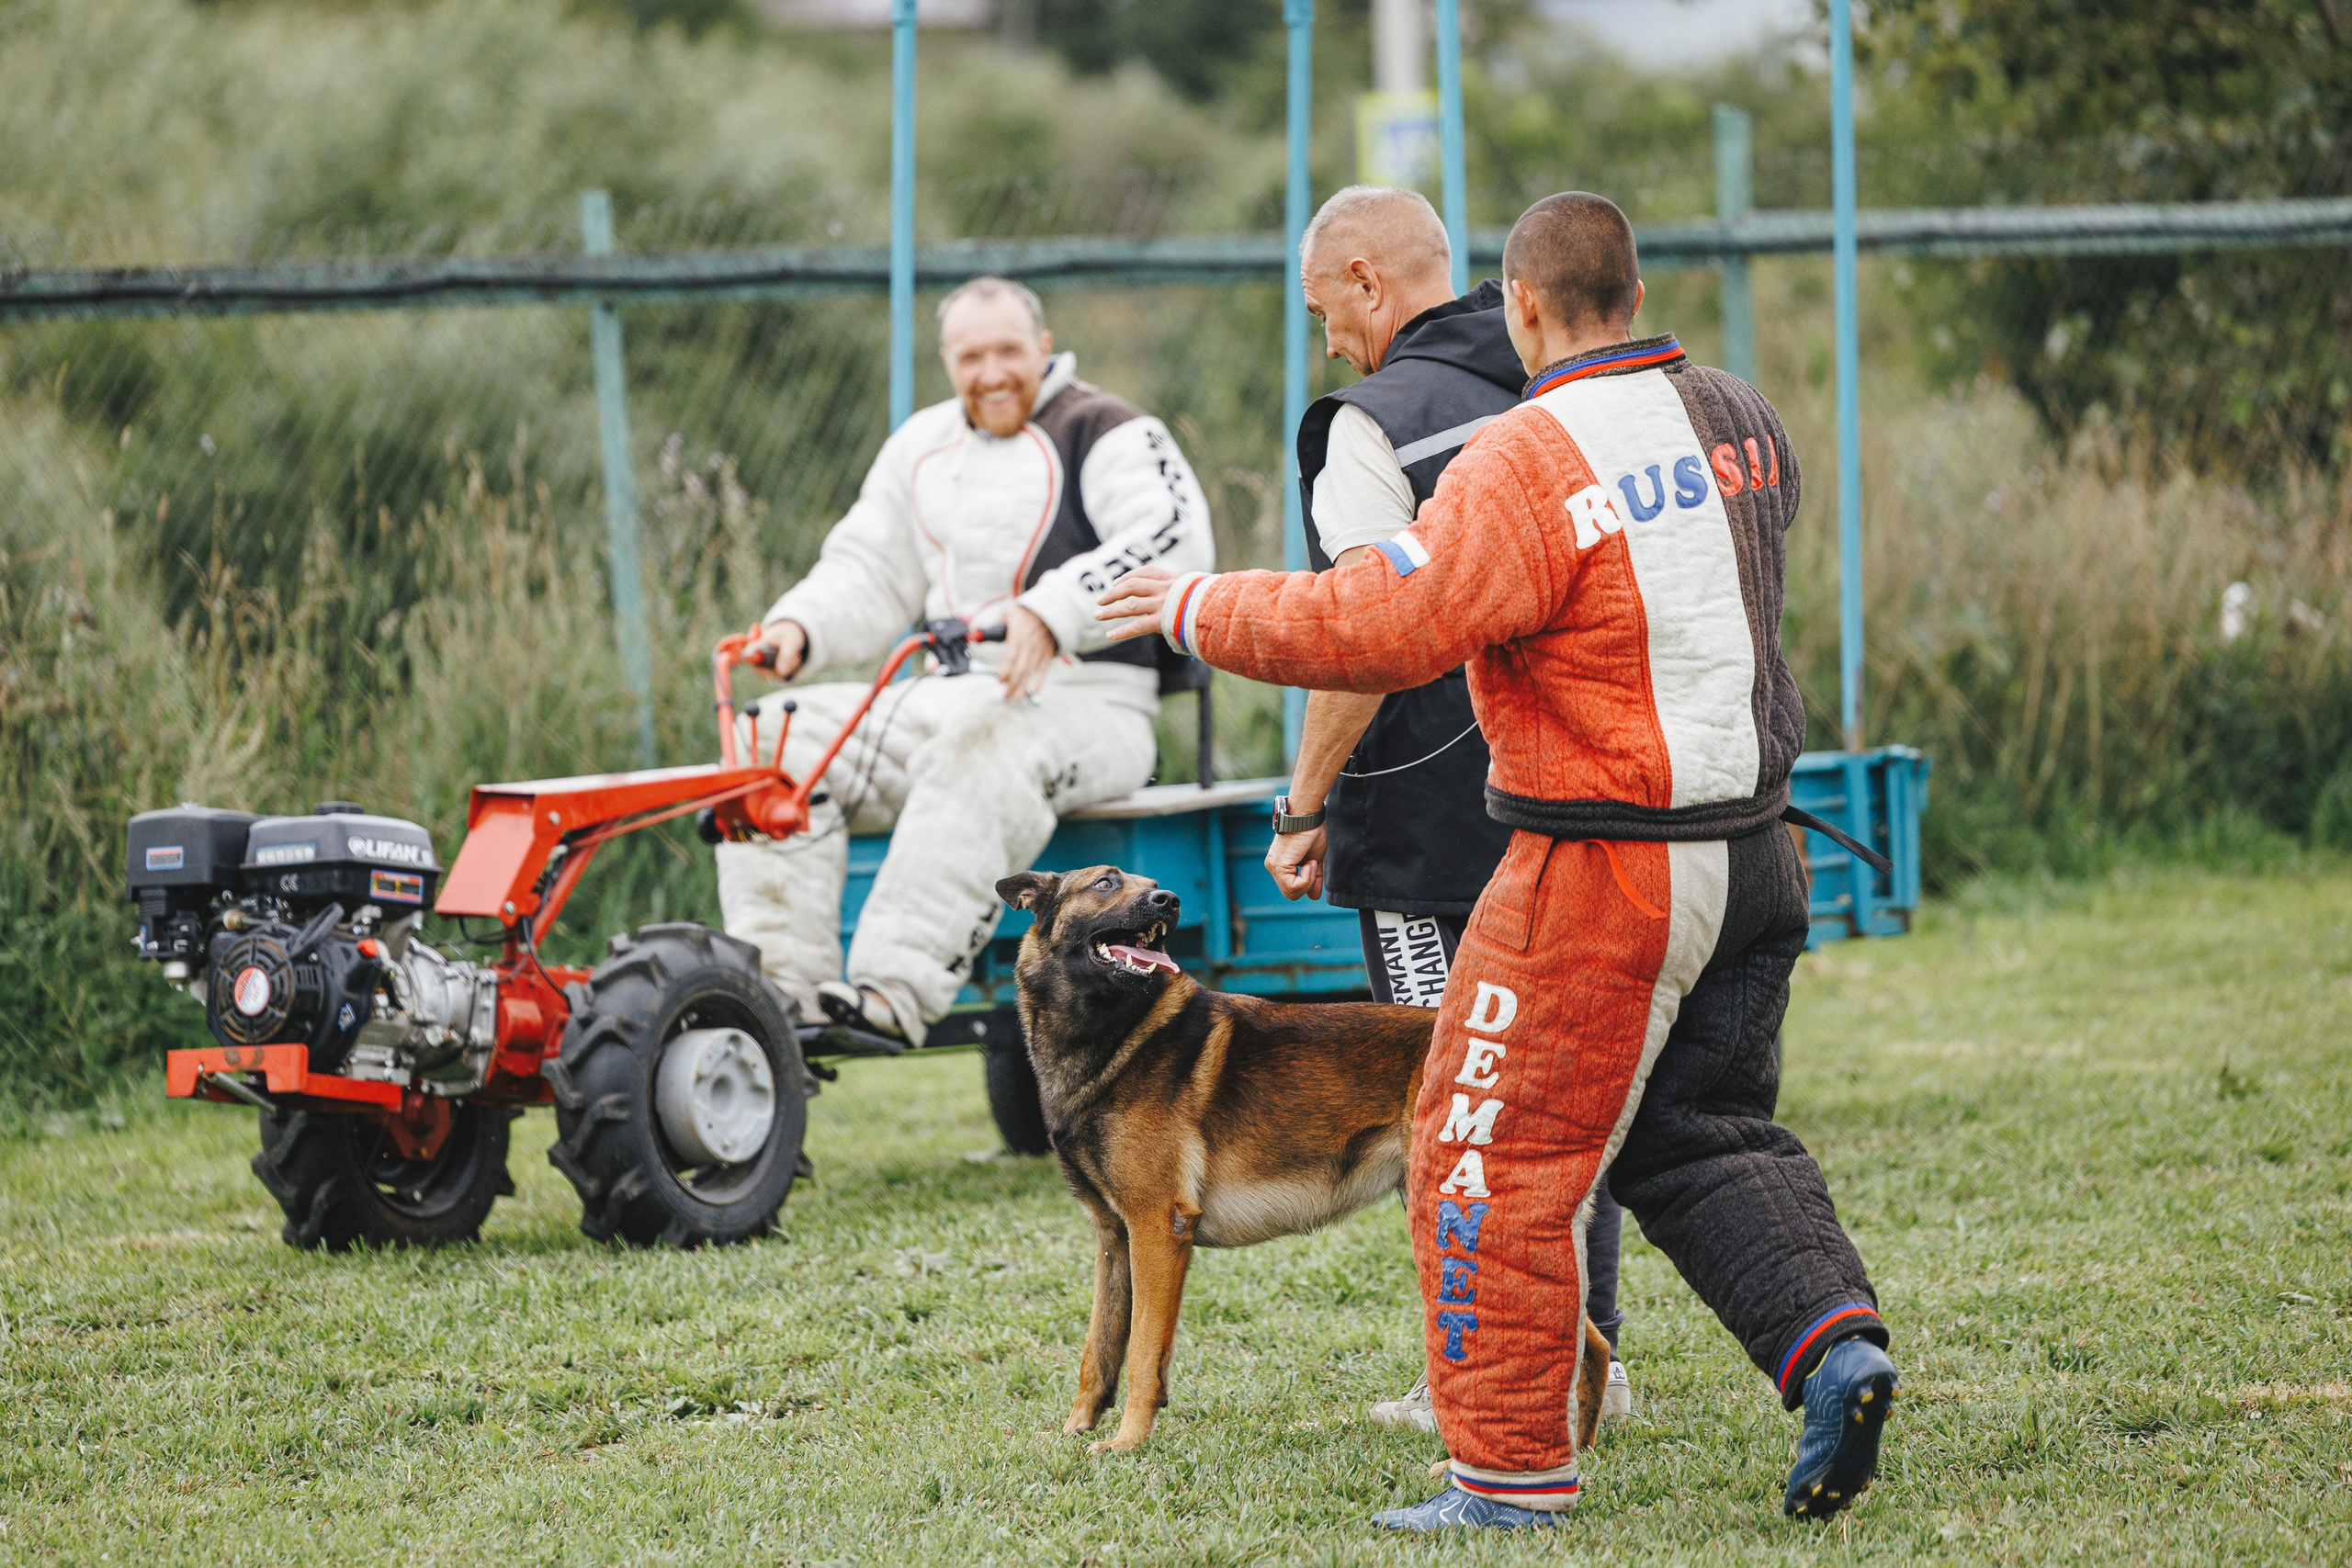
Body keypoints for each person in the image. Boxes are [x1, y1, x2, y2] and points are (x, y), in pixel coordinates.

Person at [1099, 194, 1897, 1531]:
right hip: (1759, 850)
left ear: (1523, 305)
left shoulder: (1531, 457)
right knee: (1700, 1131)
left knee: (1481, 1153)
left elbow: (1383, 616)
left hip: (1609, 862)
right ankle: (1836, 1346)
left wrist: (1196, 603)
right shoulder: (1745, 420)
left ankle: (1508, 1474)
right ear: (1635, 296)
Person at [1273, 185, 1634, 1433]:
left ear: (1369, 283)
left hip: (1430, 824)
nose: (1325, 338)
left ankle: (1478, 1373)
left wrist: (1303, 799)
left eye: (1324, 308)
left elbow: (1365, 635)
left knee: (1452, 1095)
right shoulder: (1568, 377)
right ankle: (1599, 1359)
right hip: (1582, 801)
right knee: (1567, 1088)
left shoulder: (1374, 421)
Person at [718, 276, 1215, 1046]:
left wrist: (1051, 613)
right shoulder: (919, 445)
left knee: (985, 743)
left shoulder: (1109, 427)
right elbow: (869, 569)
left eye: (1009, 351)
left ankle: (890, 994)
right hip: (944, 696)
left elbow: (1171, 539)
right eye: (970, 356)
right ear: (946, 360)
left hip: (1094, 705)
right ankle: (782, 1003)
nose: (991, 373)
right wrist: (798, 625)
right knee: (768, 737)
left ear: (1044, 348)